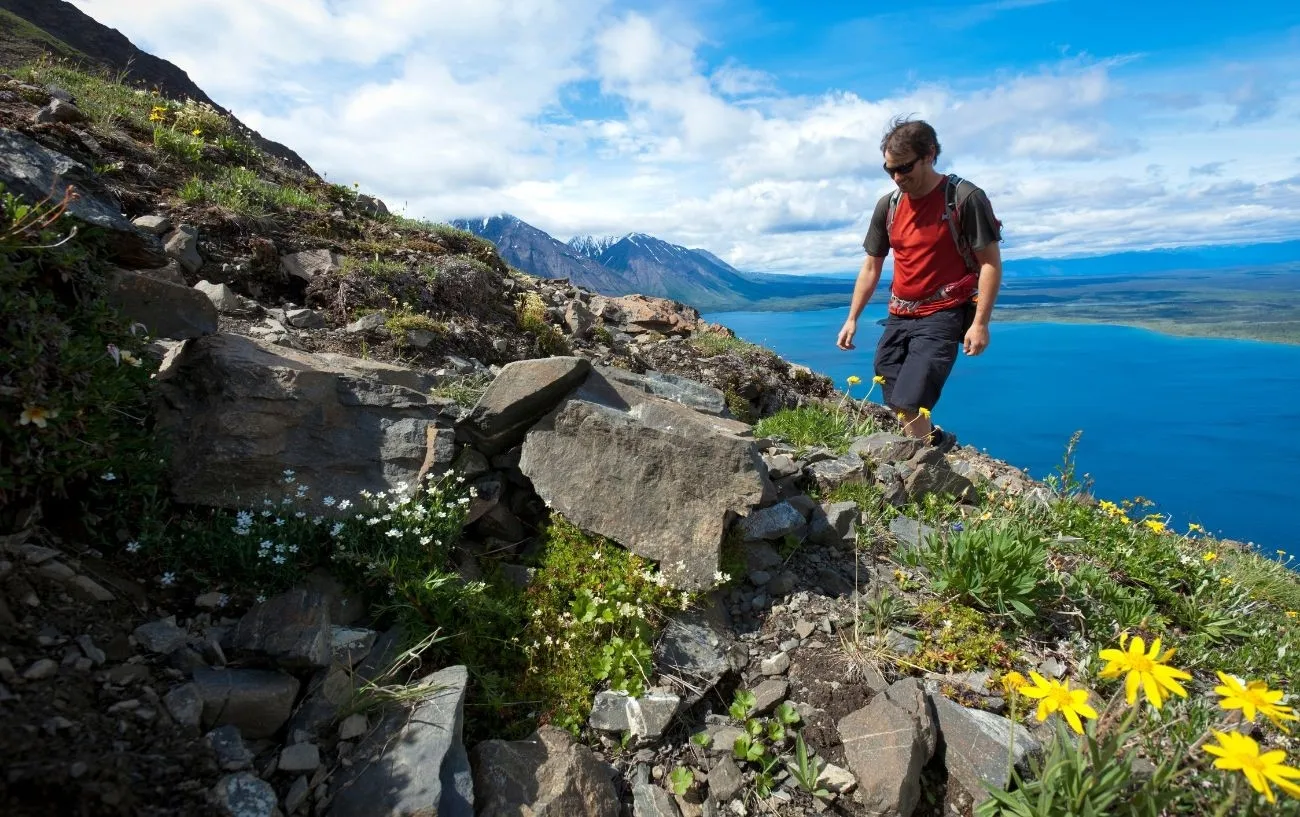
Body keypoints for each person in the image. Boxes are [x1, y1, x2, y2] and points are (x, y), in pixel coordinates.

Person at [836, 117, 1003, 451]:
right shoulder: (889, 206)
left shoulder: (964, 198)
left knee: (911, 397)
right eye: (889, 170)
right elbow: (872, 264)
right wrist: (852, 317)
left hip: (944, 312)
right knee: (892, 390)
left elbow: (990, 263)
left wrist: (980, 323)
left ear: (930, 154)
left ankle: (921, 463)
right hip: (900, 312)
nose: (897, 178)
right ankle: (931, 444)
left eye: (904, 168)